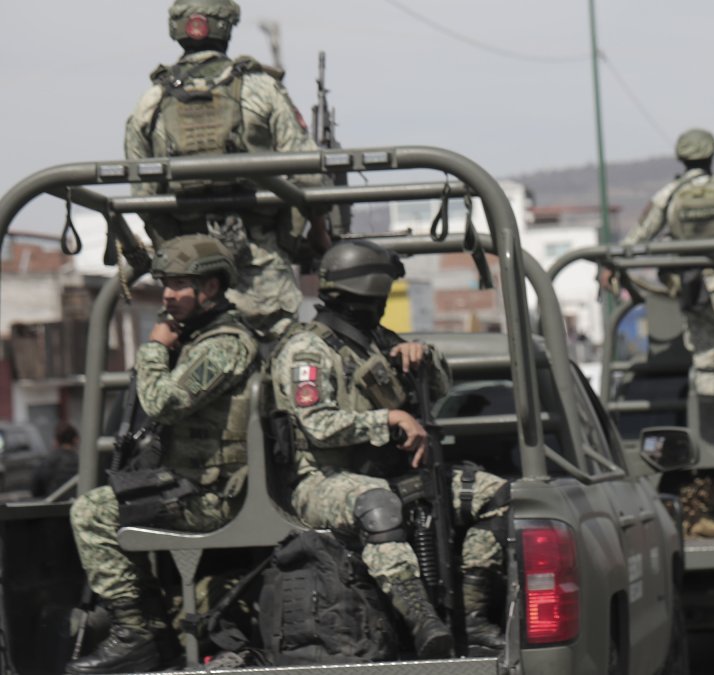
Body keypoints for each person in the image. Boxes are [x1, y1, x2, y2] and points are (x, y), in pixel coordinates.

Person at [271, 240, 509, 658]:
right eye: (380, 298)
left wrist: (423, 358)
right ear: (370, 294)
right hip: (322, 483)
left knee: (493, 495)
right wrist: (388, 420)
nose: (381, 306)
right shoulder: (307, 350)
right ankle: (421, 620)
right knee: (377, 505)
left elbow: (441, 387)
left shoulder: (376, 340)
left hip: (386, 475)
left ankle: (470, 618)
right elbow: (318, 425)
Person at [67, 236, 257, 674]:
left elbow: (163, 403)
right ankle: (149, 630)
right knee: (103, 503)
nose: (168, 294)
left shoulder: (225, 344)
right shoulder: (201, 336)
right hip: (192, 483)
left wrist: (153, 347)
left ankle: (137, 633)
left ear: (210, 287)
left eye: (179, 285)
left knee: (90, 513)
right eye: (165, 283)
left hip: (211, 494)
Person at [125, 0, 330, 340]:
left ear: (175, 29)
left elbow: (143, 199)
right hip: (262, 276)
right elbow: (310, 176)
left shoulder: (151, 101)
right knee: (280, 368)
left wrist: (174, 252)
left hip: (190, 291)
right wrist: (317, 231)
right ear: (228, 28)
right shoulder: (262, 89)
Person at [616, 128, 714, 413]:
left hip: (692, 290)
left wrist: (611, 264)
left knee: (706, 362)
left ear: (681, 158)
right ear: (712, 155)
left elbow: (638, 236)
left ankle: (713, 430)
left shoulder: (669, 195)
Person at [32, 421, 80, 498]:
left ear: (56, 441)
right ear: (76, 440)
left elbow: (36, 489)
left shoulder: (47, 461)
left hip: (53, 505)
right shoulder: (83, 462)